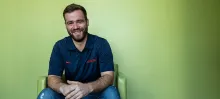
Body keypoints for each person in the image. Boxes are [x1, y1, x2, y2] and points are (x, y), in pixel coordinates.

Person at [37, 3, 120, 99]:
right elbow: (52, 77)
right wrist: (63, 88)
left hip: (95, 93)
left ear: (87, 22)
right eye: (70, 23)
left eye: (79, 21)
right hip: (70, 94)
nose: (75, 26)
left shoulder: (101, 44)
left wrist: (88, 87)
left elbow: (108, 76)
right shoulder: (60, 46)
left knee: (111, 92)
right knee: (46, 94)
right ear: (66, 25)